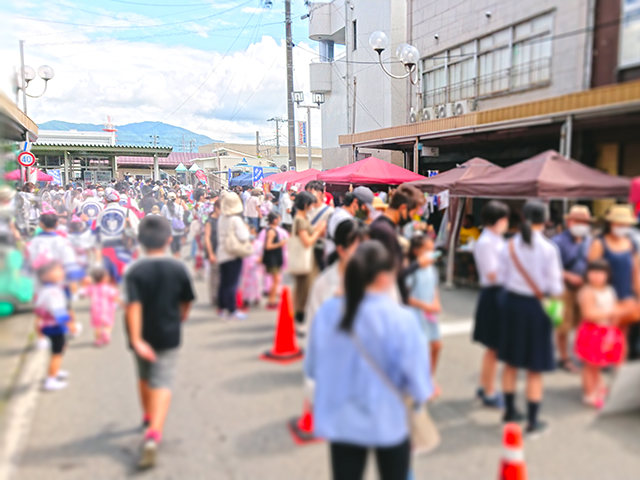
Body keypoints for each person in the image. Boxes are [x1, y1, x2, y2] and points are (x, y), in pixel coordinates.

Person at [305, 240, 432, 480]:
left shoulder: (329, 312)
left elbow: (313, 368)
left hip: (341, 420)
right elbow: (418, 383)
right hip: (390, 419)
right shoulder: (402, 319)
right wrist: (422, 395)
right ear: (385, 277)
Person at [124, 216, 196, 469]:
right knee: (163, 381)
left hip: (141, 334)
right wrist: (182, 317)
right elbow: (187, 300)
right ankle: (154, 434)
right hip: (168, 331)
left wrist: (135, 339)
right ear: (169, 239)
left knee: (144, 376)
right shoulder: (178, 268)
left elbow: (132, 306)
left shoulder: (134, 270)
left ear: (140, 241)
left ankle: (147, 416)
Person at [498, 200, 564, 436]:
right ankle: (533, 421)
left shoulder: (510, 245)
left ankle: (508, 411)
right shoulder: (549, 249)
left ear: (523, 218)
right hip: (537, 308)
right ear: (545, 220)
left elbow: (502, 278)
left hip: (513, 305)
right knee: (535, 367)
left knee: (511, 362)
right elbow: (555, 287)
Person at [588, 204, 640, 359]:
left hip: (626, 294)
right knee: (603, 332)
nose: (622, 227)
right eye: (619, 224)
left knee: (622, 332)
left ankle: (617, 361)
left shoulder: (631, 244)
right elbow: (592, 271)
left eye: (625, 225)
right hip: (605, 296)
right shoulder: (599, 243)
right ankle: (598, 362)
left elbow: (636, 272)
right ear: (611, 224)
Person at [473, 200, 510, 408]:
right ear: (498, 220)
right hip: (494, 294)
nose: (506, 223)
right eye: (504, 219)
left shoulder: (495, 239)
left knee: (494, 348)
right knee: (493, 348)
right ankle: (488, 390)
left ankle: (485, 386)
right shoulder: (487, 242)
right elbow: (492, 274)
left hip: (498, 294)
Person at [575, 260, 625, 408]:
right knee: (589, 365)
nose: (596, 276)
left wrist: (613, 327)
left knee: (597, 364)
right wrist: (612, 313)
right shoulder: (587, 291)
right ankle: (589, 394)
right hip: (591, 332)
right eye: (593, 272)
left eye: (601, 272)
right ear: (587, 274)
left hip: (606, 331)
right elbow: (588, 313)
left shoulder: (610, 290)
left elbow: (615, 309)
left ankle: (599, 387)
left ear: (607, 275)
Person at [369, 184, 429, 304]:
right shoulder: (384, 231)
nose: (412, 218)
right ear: (403, 208)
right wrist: (419, 263)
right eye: (413, 213)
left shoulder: (383, 226)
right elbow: (394, 272)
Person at [552, 205, 593, 372]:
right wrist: (569, 276)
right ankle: (564, 358)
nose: (581, 224)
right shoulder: (558, 242)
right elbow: (550, 267)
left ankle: (583, 355)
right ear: (569, 222)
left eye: (584, 221)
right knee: (562, 326)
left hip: (585, 289)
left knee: (585, 324)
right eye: (578, 221)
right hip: (562, 290)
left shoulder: (590, 240)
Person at [406, 234, 442, 399]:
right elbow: (406, 296)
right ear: (416, 252)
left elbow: (434, 288)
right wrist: (426, 306)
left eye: (432, 249)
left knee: (436, 346)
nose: (431, 253)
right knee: (419, 350)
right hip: (416, 314)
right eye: (427, 250)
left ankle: (429, 378)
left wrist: (435, 302)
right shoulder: (412, 270)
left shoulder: (432, 269)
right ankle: (418, 384)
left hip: (429, 314)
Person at [33, 258, 72, 391]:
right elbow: (59, 312)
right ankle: (51, 379)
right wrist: (69, 323)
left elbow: (38, 309)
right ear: (45, 275)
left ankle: (55, 371)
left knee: (59, 348)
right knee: (57, 352)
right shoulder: (53, 292)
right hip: (55, 326)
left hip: (47, 325)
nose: (62, 272)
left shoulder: (45, 290)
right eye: (58, 270)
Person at [290, 191, 326, 325]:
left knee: (303, 287)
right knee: (306, 288)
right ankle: (302, 315)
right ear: (306, 205)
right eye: (311, 204)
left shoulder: (301, 218)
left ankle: (301, 314)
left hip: (305, 257)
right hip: (305, 258)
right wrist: (318, 230)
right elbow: (307, 241)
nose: (313, 207)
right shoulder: (300, 220)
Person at [217, 192, 251, 320]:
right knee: (232, 283)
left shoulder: (222, 218)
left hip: (222, 252)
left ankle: (222, 308)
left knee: (224, 282)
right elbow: (244, 236)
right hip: (233, 253)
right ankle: (232, 310)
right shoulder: (236, 220)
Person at [95, 188, 140, 283]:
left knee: (110, 279)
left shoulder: (102, 213)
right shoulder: (127, 212)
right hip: (124, 248)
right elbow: (136, 230)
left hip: (106, 249)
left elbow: (98, 232)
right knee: (125, 278)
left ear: (106, 200)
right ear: (118, 199)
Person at [80, 267, 120, 347]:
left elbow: (82, 294)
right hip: (107, 309)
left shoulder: (92, 288)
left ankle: (97, 340)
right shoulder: (108, 288)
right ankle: (106, 332)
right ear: (105, 278)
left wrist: (83, 284)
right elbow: (115, 297)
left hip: (95, 310)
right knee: (108, 324)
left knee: (97, 326)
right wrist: (123, 304)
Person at [263, 211, 287, 309]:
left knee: (276, 280)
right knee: (276, 280)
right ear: (275, 220)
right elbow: (268, 246)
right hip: (272, 259)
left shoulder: (271, 230)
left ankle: (272, 300)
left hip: (274, 258)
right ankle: (271, 301)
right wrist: (280, 244)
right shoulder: (272, 231)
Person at [204, 199, 221, 308]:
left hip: (222, 251)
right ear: (216, 208)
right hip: (213, 251)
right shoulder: (210, 221)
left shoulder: (223, 220)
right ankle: (215, 297)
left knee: (221, 276)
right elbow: (207, 238)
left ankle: (220, 296)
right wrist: (210, 253)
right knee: (214, 276)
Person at [161, 192, 186, 258]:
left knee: (172, 240)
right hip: (177, 224)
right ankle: (177, 252)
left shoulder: (165, 207)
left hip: (169, 225)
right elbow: (181, 217)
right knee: (177, 239)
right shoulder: (179, 207)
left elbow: (163, 216)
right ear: (175, 199)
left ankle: (174, 252)